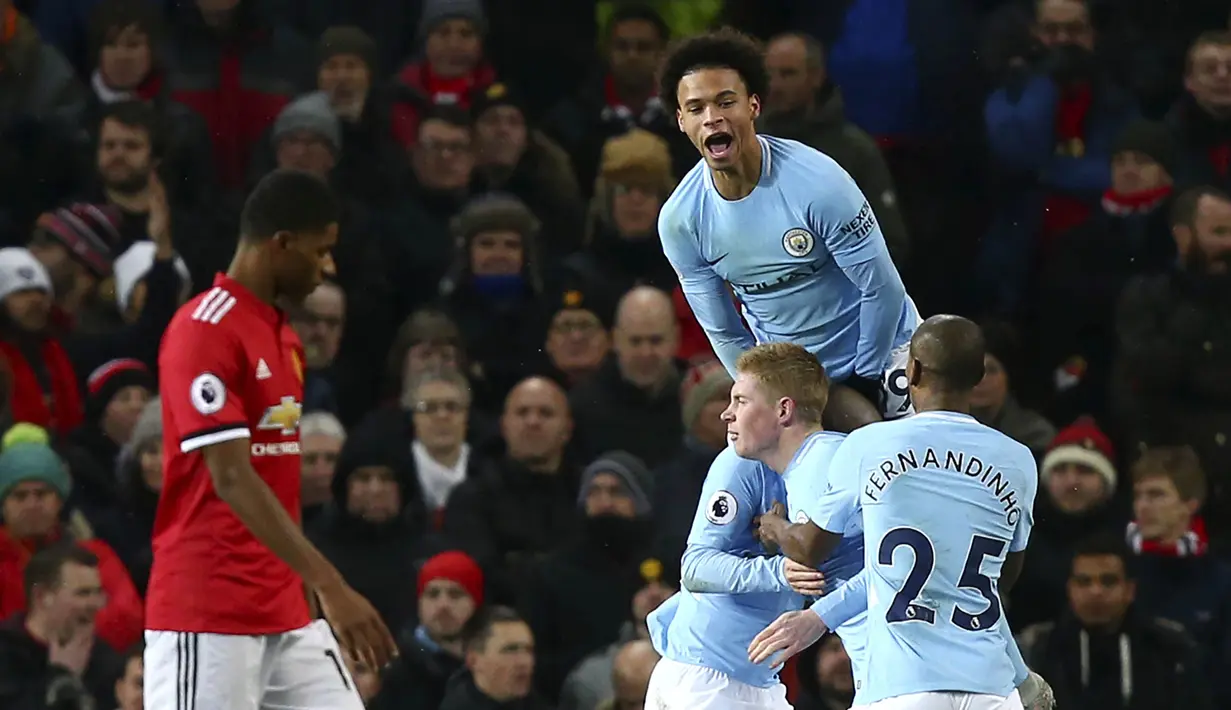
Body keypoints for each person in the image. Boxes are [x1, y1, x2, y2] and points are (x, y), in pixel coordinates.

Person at [145, 169, 397, 710]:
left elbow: (274, 478)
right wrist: (330, 582)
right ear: (280, 244)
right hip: (209, 610)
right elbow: (232, 477)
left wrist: (305, 590)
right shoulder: (204, 328)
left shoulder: (283, 335)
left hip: (285, 608)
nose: (329, 266)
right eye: (320, 251)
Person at [748, 315, 1053, 710]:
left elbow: (809, 549)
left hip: (902, 685)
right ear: (979, 375)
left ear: (913, 370)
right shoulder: (1019, 459)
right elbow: (1004, 577)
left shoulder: (868, 445)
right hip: (990, 686)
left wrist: (775, 527)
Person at [657, 28, 920, 427]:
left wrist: (865, 377)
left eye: (726, 101)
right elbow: (726, 333)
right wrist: (768, 389)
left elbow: (881, 288)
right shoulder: (681, 220)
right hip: (793, 379)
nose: (712, 118)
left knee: (897, 465)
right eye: (696, 108)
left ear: (753, 105)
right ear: (681, 120)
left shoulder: (818, 183)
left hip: (884, 349)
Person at [643, 344, 842, 709]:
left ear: (783, 410)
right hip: (706, 677)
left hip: (757, 681)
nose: (726, 414)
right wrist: (780, 570)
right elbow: (695, 566)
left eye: (741, 401)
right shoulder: (741, 464)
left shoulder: (830, 468)